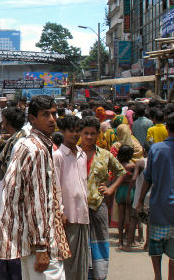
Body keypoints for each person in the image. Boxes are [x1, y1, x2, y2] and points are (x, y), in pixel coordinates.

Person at [0, 95, 70, 280]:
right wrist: (41, 247)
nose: (52, 119)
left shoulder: (30, 144)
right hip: (41, 241)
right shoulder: (36, 149)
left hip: (31, 237)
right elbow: (37, 200)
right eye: (45, 115)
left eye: (53, 114)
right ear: (32, 119)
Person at [80, 116, 126, 280]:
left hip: (98, 207)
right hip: (77, 210)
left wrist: (111, 188)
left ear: (98, 134)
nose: (89, 137)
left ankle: (99, 276)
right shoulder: (73, 154)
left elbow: (121, 172)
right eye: (86, 133)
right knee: (80, 246)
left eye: (93, 133)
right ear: (80, 133)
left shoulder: (105, 155)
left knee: (99, 244)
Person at [136, 113, 174, 280]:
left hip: (159, 206)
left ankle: (157, 275)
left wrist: (139, 201)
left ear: (167, 127)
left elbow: (148, 179)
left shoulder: (156, 149)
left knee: (156, 246)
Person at [0, 106, 26, 280]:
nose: (1, 123)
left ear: (8, 122)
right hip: (8, 195)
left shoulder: (18, 142)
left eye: (3, 120)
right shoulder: (17, 138)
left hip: (12, 200)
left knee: (9, 243)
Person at [53, 115, 89, 280]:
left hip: (83, 213)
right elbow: (56, 186)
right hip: (68, 215)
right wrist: (60, 211)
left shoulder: (82, 154)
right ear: (62, 132)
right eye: (71, 131)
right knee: (68, 259)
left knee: (81, 259)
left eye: (77, 131)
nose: (75, 135)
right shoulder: (58, 156)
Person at [114, 145, 136, 249]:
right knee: (131, 217)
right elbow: (135, 179)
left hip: (120, 190)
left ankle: (120, 240)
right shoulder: (132, 166)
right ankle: (131, 241)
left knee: (121, 217)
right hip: (130, 191)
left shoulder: (118, 165)